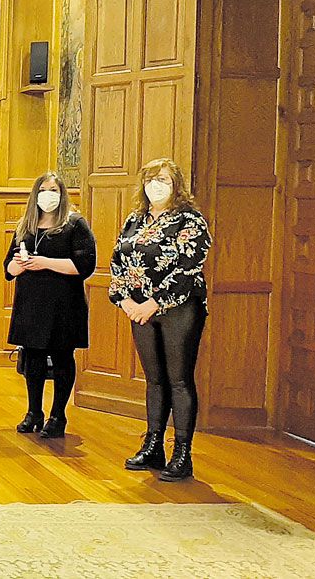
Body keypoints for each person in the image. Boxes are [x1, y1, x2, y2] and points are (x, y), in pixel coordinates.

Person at [110, 158, 212, 482]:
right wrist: (126, 301)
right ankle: (153, 445)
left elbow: (187, 269)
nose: (157, 186)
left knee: (179, 379)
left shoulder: (190, 220)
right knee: (154, 380)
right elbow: (118, 261)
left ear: (176, 184)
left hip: (179, 309)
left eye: (164, 180)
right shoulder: (134, 220)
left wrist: (153, 304)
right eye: (151, 180)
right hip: (138, 310)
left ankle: (182, 453)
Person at [4, 172, 96, 439]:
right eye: (43, 189)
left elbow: (84, 266)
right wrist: (20, 264)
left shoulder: (75, 224)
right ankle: (34, 412)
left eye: (53, 190)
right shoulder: (26, 225)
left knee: (62, 357)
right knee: (31, 358)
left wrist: (44, 262)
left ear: (62, 194)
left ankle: (58, 415)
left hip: (63, 305)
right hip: (31, 304)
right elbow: (8, 268)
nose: (48, 194)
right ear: (35, 194)